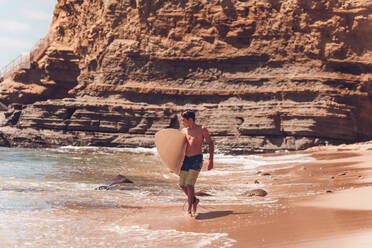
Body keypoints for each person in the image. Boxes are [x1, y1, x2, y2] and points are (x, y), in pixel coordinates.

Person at [179, 110, 214, 217]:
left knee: (190, 185)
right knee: (182, 185)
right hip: (186, 159)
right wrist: (174, 163)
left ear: (190, 120)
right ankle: (194, 200)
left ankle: (190, 209)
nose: (182, 123)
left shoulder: (201, 129)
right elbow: (178, 148)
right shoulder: (183, 131)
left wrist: (210, 160)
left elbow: (210, 143)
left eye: (183, 120)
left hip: (196, 159)